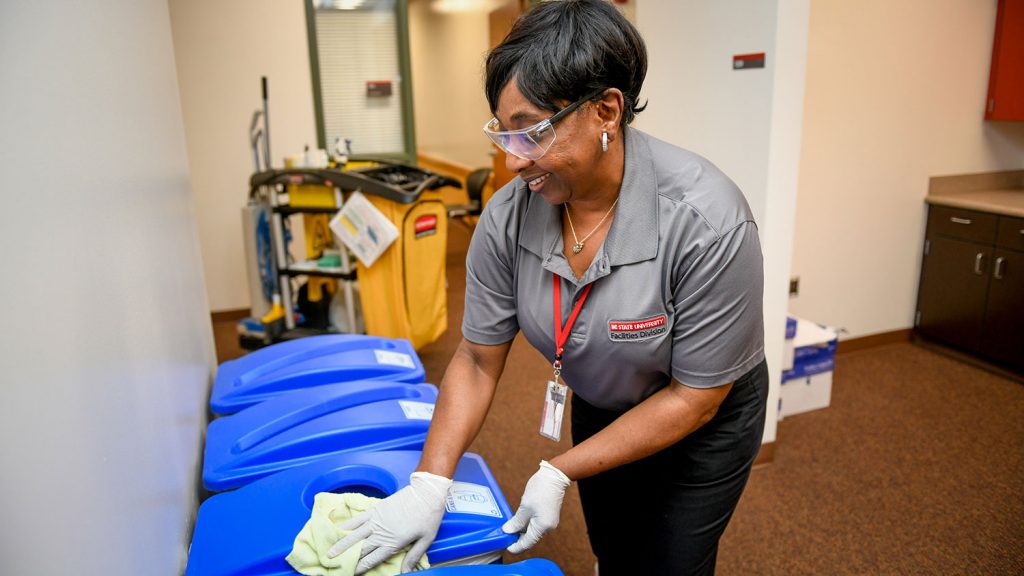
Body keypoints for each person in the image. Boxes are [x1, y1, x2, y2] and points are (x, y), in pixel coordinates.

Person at [328, 0, 768, 574]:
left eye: (530, 132)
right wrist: (429, 484)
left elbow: (695, 398)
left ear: (607, 110)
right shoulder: (509, 217)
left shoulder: (707, 221)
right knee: (612, 549)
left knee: (672, 562)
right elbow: (478, 359)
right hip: (603, 398)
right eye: (503, 134)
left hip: (703, 418)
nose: (513, 161)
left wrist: (562, 468)